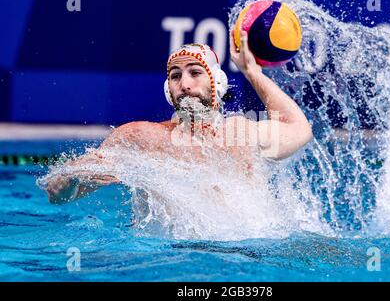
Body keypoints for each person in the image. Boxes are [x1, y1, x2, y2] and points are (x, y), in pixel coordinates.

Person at [45, 30, 313, 204]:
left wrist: (253, 73)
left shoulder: (242, 133)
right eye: (175, 76)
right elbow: (62, 197)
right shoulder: (142, 138)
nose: (184, 84)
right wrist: (66, 181)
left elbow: (299, 129)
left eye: (195, 73)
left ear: (217, 84)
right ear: (167, 90)